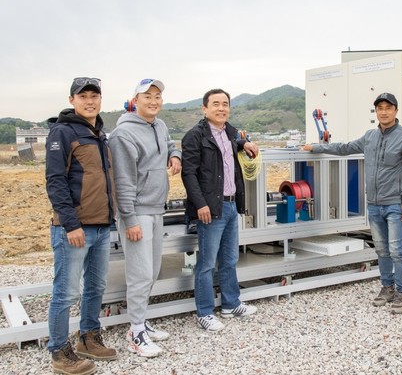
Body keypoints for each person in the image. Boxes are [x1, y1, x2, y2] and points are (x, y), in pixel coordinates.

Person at [303, 92, 402, 314]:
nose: (384, 112)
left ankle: (401, 293)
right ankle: (386, 287)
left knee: (397, 250)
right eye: (380, 108)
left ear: (396, 111)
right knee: (381, 249)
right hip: (375, 204)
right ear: (376, 112)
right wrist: (317, 147)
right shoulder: (369, 136)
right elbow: (344, 148)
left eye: (389, 107)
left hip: (397, 204)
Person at [45, 77, 117, 375]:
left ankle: (89, 337)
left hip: (101, 226)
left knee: (96, 287)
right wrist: (71, 224)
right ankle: (59, 351)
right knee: (65, 292)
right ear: (72, 99)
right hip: (74, 228)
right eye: (83, 96)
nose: (90, 101)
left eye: (95, 96)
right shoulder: (63, 132)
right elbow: (55, 181)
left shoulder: (98, 133)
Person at [109, 79, 182, 357]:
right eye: (147, 96)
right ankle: (135, 332)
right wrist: (129, 220)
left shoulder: (159, 125)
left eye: (158, 96)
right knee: (139, 274)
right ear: (135, 100)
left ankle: (142, 321)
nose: (153, 101)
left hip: (156, 208)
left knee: (152, 270)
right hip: (137, 211)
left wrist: (174, 155)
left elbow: (170, 143)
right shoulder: (123, 135)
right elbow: (122, 181)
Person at [181, 88, 259, 332]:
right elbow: (188, 174)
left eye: (225, 104)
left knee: (229, 259)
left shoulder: (230, 131)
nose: (221, 108)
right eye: (215, 104)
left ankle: (230, 303)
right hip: (210, 208)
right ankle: (204, 311)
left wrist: (246, 143)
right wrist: (201, 204)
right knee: (206, 263)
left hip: (231, 203)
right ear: (204, 108)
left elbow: (238, 140)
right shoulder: (194, 136)